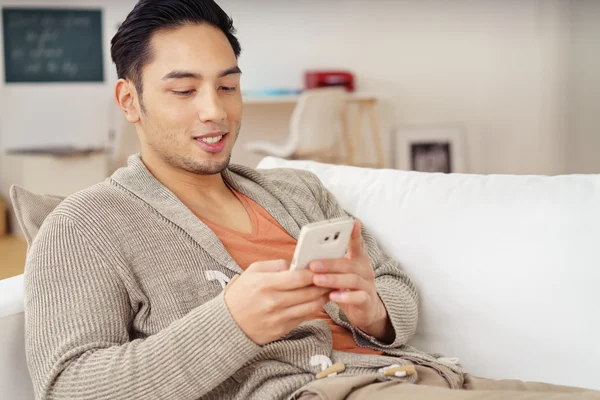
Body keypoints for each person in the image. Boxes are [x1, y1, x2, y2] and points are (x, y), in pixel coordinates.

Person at [18, 1, 599, 399]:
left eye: (227, 85)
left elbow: (394, 285)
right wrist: (233, 323)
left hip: (425, 378)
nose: (215, 111)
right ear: (130, 99)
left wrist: (372, 307)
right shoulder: (87, 224)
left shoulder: (296, 189)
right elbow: (70, 386)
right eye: (183, 89)